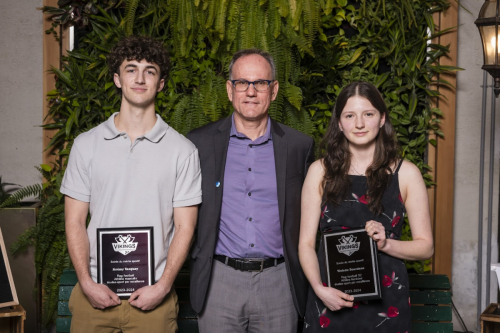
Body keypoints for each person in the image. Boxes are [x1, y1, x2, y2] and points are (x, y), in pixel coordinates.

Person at [60, 35, 201, 333]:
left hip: (153, 300)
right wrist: (86, 283)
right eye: (131, 69)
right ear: (117, 79)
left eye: (150, 70)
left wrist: (163, 287)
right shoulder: (86, 145)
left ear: (160, 83)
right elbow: (74, 221)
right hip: (94, 295)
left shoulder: (183, 150)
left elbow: (185, 227)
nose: (140, 78)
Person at [187, 48, 315, 332]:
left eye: (260, 83)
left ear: (274, 90)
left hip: (279, 283)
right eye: (242, 83)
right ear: (230, 90)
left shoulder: (298, 146)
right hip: (218, 282)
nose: (251, 91)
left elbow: (313, 217)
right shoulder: (199, 144)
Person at [299, 81, 434, 332]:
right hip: (331, 298)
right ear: (339, 123)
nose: (359, 124)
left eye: (368, 114)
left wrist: (387, 244)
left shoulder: (407, 174)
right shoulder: (319, 172)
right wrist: (319, 289)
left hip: (387, 303)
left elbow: (426, 247)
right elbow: (306, 244)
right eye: (350, 116)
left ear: (382, 118)